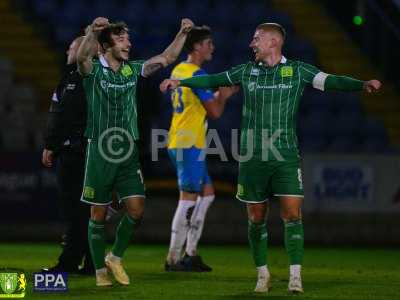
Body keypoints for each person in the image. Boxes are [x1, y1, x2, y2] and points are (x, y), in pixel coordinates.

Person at [160, 22, 382, 293]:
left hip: (285, 156)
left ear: (273, 42)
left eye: (257, 39)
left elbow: (331, 80)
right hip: (253, 157)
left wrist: (362, 84)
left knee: (292, 214)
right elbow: (213, 79)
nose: (252, 43)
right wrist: (181, 81)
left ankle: (295, 277)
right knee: (256, 217)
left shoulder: (297, 70)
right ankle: (262, 275)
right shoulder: (246, 70)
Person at [77, 17, 194, 287]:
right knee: (98, 214)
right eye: (121, 39)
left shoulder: (133, 70)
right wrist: (92, 33)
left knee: (137, 209)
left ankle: (115, 257)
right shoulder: (92, 70)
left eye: (128, 39)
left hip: (127, 150)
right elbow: (81, 57)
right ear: (106, 45)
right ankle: (99, 273)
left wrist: (182, 33)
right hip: (100, 150)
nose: (128, 43)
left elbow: (166, 58)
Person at [164, 26, 238, 272]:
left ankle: (191, 253)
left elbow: (198, 102)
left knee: (207, 194)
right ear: (197, 46)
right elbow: (215, 112)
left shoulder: (179, 70)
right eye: (208, 43)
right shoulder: (196, 73)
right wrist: (224, 95)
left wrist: (217, 93)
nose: (212, 47)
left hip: (182, 140)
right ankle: (173, 258)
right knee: (188, 199)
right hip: (188, 143)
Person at [42, 36, 97, 275]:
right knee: (81, 210)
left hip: (78, 152)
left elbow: (61, 117)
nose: (68, 50)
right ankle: (91, 262)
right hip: (73, 150)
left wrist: (51, 145)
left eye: (73, 47)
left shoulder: (84, 80)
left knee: (76, 209)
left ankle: (70, 262)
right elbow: (57, 116)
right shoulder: (67, 80)